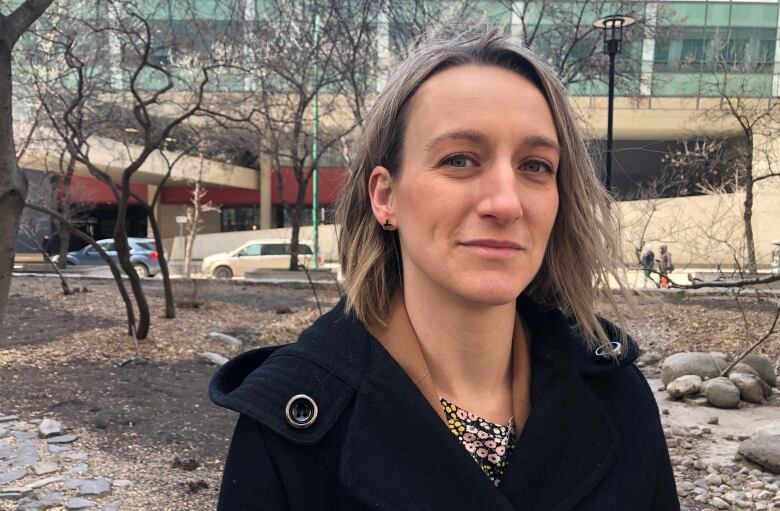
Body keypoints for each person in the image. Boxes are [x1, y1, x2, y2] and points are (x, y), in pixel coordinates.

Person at [210, 27, 678, 510]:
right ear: (384, 197)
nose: (505, 202)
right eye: (459, 159)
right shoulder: (290, 427)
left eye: (536, 165)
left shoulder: (618, 396)